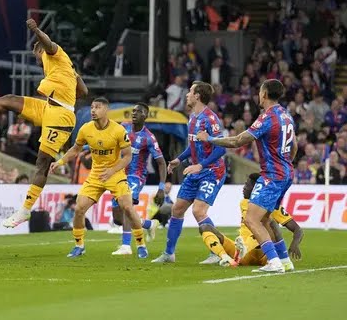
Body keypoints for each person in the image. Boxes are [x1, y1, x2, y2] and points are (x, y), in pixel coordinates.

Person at [0, 18, 87, 228]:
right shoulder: (62, 67)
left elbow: (48, 43)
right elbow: (84, 92)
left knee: (42, 164)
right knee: (9, 100)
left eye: (35, 55)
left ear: (39, 50)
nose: (36, 59)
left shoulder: (53, 53)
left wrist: (36, 30)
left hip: (61, 116)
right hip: (48, 107)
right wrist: (74, 77)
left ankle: (25, 210)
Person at [197, 79, 296, 273]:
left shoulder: (267, 117)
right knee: (266, 219)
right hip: (286, 172)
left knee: (252, 220)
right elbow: (296, 145)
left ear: (264, 94)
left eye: (260, 92)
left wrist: (209, 139)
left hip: (273, 174)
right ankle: (284, 260)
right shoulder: (286, 116)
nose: (258, 95)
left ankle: (274, 262)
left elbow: (237, 141)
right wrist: (286, 163)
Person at [52, 97, 149, 259]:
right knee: (79, 209)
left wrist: (112, 170)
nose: (93, 110)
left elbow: (127, 157)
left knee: (127, 207)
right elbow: (75, 149)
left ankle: (140, 244)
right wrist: (60, 161)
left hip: (115, 174)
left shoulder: (118, 130)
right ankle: (79, 246)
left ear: (106, 110)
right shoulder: (86, 129)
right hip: (96, 175)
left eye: (97, 107)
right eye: (92, 107)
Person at [152, 81, 226, 265]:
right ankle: (169, 254)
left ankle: (216, 252)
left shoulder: (210, 119)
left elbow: (221, 148)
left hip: (212, 172)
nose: (186, 95)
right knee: (177, 209)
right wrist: (179, 159)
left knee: (199, 211)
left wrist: (201, 165)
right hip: (195, 171)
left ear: (198, 96)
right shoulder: (192, 118)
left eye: (190, 92)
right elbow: (193, 146)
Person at [199, 173, 303, 268]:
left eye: (247, 185)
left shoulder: (271, 205)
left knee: (270, 222)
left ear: (256, 188)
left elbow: (298, 230)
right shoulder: (244, 202)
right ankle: (225, 257)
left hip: (264, 254)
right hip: (244, 254)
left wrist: (295, 244)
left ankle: (278, 260)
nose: (243, 188)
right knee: (205, 227)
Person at [110, 103, 167, 256]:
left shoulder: (148, 138)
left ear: (145, 116)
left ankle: (126, 246)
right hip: (119, 174)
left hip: (136, 176)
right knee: (117, 216)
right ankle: (147, 224)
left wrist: (161, 187)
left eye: (138, 111)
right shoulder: (123, 128)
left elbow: (161, 163)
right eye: (133, 111)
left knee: (126, 206)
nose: (134, 113)